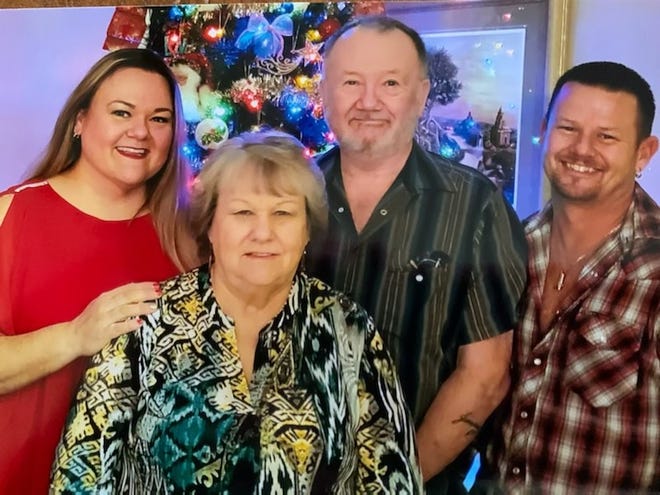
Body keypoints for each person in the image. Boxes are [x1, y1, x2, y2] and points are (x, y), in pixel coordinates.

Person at [50, 130, 422, 494]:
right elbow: (81, 473)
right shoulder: (143, 322)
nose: (263, 232)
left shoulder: (348, 328)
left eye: (283, 213)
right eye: (243, 212)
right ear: (210, 226)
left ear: (307, 229)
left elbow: (391, 477)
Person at [307, 15, 528, 493]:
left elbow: (485, 376)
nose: (368, 101)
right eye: (350, 82)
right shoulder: (288, 197)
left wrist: (392, 482)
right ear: (324, 92)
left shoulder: (476, 207)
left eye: (390, 83)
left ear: (421, 94)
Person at [0, 48, 198, 494]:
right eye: (121, 112)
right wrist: (75, 337)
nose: (140, 132)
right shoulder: (11, 215)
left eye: (160, 119)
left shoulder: (189, 236)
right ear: (79, 121)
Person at [494, 61, 660, 493]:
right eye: (568, 128)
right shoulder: (512, 245)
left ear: (643, 153)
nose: (582, 150)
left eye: (606, 136)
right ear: (545, 130)